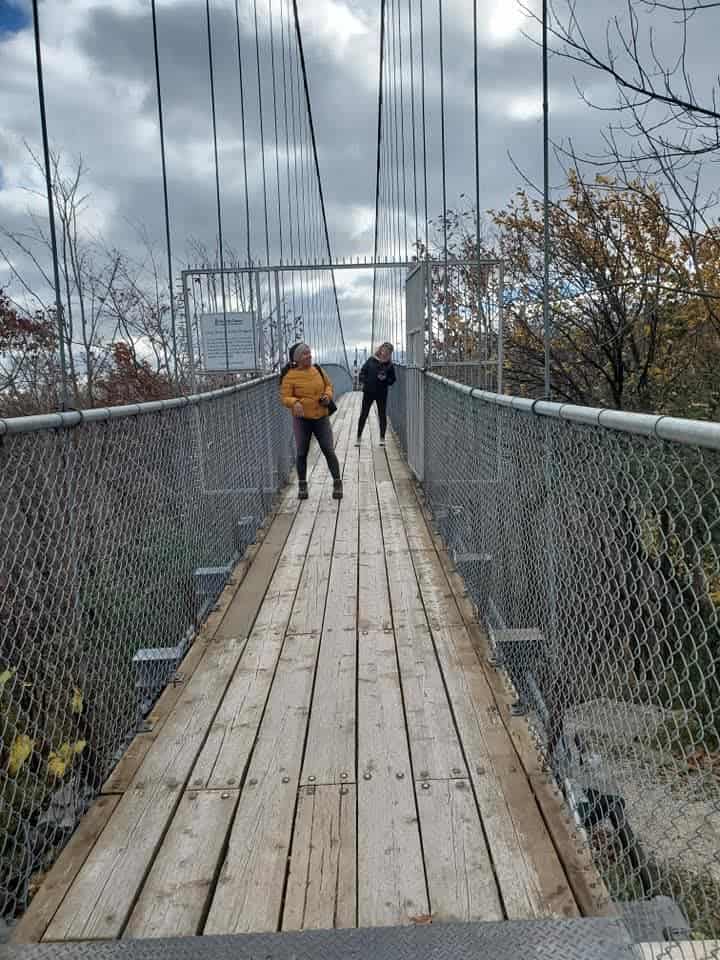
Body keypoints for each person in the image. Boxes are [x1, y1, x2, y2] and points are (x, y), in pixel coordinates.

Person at [280, 342, 343, 501]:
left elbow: (328, 385)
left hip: (321, 417)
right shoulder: (290, 376)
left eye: (309, 352)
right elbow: (285, 397)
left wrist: (327, 396)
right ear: (297, 358)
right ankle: (302, 486)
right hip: (302, 420)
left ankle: (337, 483)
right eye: (305, 354)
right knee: (302, 453)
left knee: (328, 450)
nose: (309, 355)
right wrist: (295, 402)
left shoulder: (318, 370)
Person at [356, 342, 396, 447]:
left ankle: (382, 438)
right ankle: (358, 437)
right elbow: (362, 372)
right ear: (380, 350)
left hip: (381, 393)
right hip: (368, 392)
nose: (385, 353)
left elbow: (393, 379)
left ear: (390, 353)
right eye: (384, 350)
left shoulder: (390, 365)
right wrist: (363, 380)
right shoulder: (371, 360)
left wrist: (386, 379)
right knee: (363, 414)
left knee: (382, 415)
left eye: (388, 352)